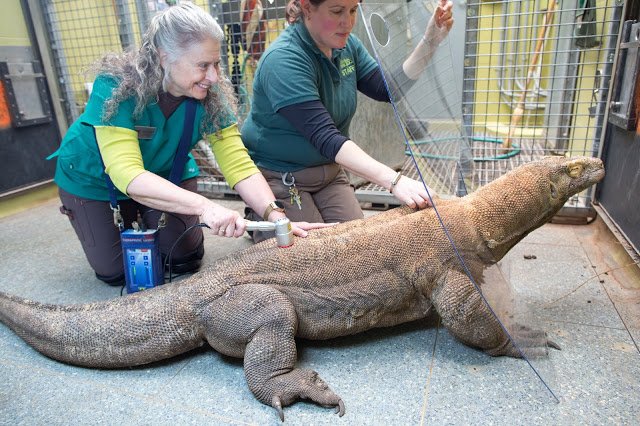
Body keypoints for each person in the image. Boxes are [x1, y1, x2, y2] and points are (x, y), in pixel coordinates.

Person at [48, 2, 324, 285]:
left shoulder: (210, 94)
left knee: (183, 259)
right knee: (118, 273)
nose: (214, 76)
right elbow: (126, 174)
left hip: (167, 170)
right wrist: (204, 206)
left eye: (216, 63)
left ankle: (152, 215)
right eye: (203, 65)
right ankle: (125, 216)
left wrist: (276, 215)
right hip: (93, 178)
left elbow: (238, 164)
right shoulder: (116, 86)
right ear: (164, 57)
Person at [241, 0, 454, 242]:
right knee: (312, 254)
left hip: (330, 174)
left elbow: (387, 90)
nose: (348, 22)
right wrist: (394, 181)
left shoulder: (346, 45)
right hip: (284, 176)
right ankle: (259, 213)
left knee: (358, 244)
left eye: (353, 10)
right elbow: (326, 138)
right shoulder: (283, 60)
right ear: (307, 8)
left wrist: (430, 41)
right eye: (337, 11)